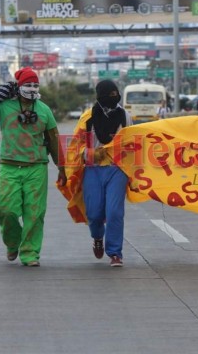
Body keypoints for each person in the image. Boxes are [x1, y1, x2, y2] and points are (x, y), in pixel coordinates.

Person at [0, 67, 67, 267]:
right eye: (27, 84)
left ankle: (30, 253)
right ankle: (12, 242)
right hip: (9, 167)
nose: (32, 88)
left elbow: (53, 140)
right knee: (6, 211)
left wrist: (62, 167)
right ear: (18, 86)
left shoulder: (44, 110)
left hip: (36, 168)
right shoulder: (5, 105)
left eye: (35, 84)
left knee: (35, 213)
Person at [79, 80, 132, 267]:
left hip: (117, 169)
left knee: (114, 212)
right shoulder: (87, 118)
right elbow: (73, 148)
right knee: (93, 213)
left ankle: (115, 252)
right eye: (109, 95)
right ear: (100, 97)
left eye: (116, 95)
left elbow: (132, 144)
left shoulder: (125, 116)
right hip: (93, 170)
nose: (114, 99)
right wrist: (88, 153)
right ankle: (97, 237)